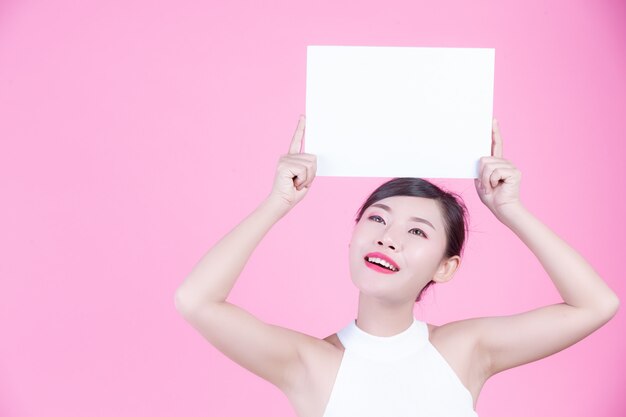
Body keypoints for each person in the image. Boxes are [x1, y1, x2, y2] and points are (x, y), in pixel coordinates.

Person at [174, 115, 620, 417]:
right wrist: (277, 202)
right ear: (353, 238)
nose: (389, 236)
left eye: (418, 232)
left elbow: (596, 305)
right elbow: (196, 300)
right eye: (378, 219)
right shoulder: (308, 362)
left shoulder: (466, 349)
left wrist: (510, 210)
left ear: (445, 268)